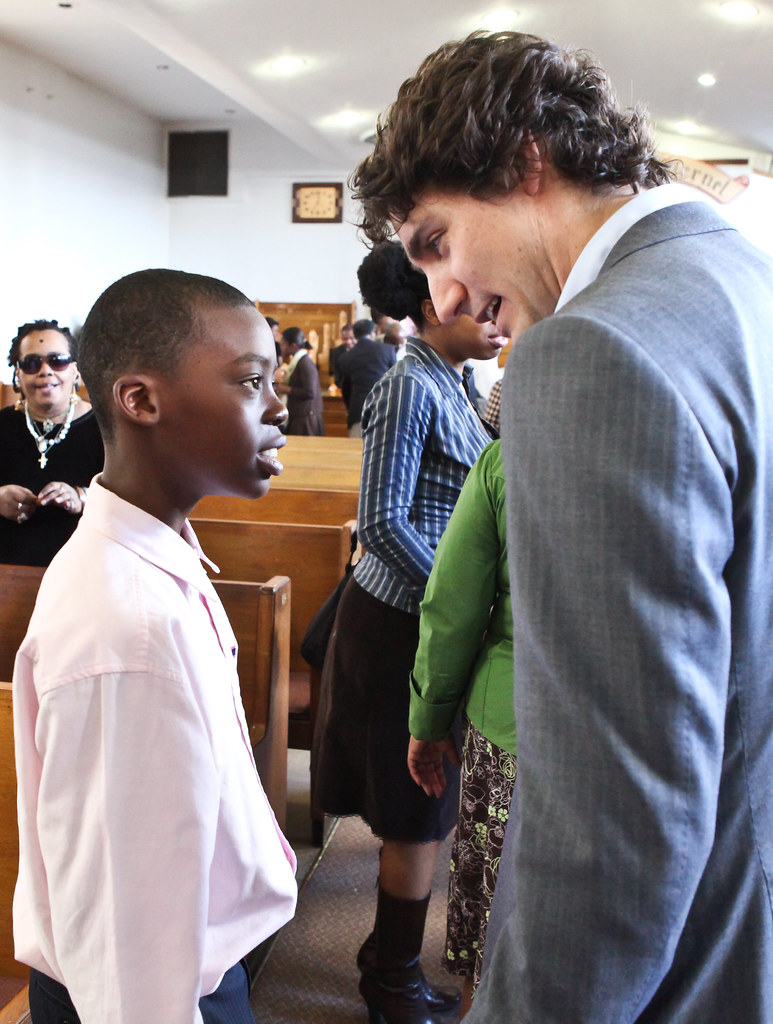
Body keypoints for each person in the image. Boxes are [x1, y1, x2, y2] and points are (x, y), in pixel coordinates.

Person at [350, 29, 773, 1024]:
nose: (442, 296)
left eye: (434, 242)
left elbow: (608, 829)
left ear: (520, 162)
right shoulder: (736, 277)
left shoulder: (589, 352)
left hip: (683, 958)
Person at [13, 269, 297, 1024]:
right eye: (249, 382)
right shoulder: (130, 624)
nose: (278, 408)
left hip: (182, 965)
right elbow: (124, 919)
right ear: (140, 401)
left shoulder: (153, 557)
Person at [313, 240, 506, 1024]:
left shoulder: (453, 381)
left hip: (427, 620)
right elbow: (385, 523)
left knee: (427, 799)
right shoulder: (405, 386)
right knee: (417, 804)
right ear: (431, 304)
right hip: (400, 619)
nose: (494, 319)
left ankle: (386, 959)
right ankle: (389, 979)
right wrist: (459, 598)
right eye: (479, 304)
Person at [408, 439, 515, 1016]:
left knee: (489, 933)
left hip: (512, 725)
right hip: (661, 736)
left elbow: (453, 602)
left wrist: (429, 717)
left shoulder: (510, 455)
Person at [0, 319, 104, 566]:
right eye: (32, 363)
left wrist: (81, 497)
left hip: (83, 570)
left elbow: (130, 499)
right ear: (18, 374)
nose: (45, 371)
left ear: (75, 371)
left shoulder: (106, 428)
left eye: (57, 361)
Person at [336, 317, 396, 437]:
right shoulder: (388, 350)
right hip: (384, 409)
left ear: (355, 335)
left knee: (356, 452)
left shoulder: (346, 357)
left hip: (358, 412)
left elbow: (345, 389)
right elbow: (396, 381)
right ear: (373, 333)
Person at [274, 326, 325, 435]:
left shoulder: (305, 363)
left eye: (283, 344)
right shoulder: (299, 361)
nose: (281, 347)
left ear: (293, 345)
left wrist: (286, 389)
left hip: (306, 418)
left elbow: (310, 392)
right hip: (300, 415)